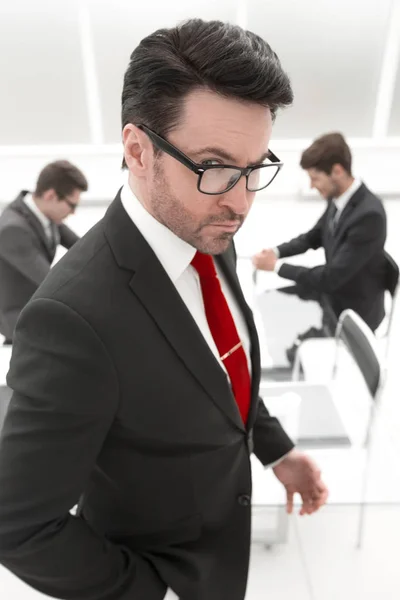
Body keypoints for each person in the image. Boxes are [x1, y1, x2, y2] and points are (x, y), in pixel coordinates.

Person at [0, 20, 328, 600]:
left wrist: (274, 450)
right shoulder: (72, 318)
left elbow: (219, 372)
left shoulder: (206, 226)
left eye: (255, 169)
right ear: (137, 150)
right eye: (215, 167)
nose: (241, 201)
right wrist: (154, 592)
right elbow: (18, 526)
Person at [253, 133, 387, 365]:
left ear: (337, 171)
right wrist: (276, 251)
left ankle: (299, 365)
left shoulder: (369, 215)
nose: (311, 185)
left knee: (282, 309)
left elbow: (331, 278)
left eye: (315, 178)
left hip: (351, 307)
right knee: (271, 301)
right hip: (334, 291)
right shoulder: (339, 199)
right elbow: (313, 237)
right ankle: (289, 362)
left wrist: (276, 267)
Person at [0, 160, 88, 343]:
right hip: (22, 321)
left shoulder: (45, 215)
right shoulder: (12, 230)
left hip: (45, 310)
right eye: (71, 205)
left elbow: (85, 248)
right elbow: (50, 282)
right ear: (50, 195)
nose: (73, 213)